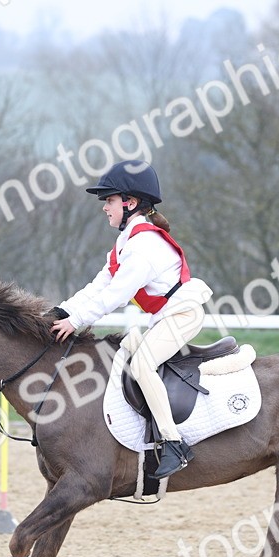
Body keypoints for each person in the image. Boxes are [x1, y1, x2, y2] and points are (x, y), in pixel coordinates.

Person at [50, 160, 213, 479]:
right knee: (126, 351)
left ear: (131, 202)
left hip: (183, 315)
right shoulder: (127, 242)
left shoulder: (145, 246)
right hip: (165, 316)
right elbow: (100, 284)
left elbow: (116, 296)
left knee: (141, 365)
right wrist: (64, 311)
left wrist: (77, 320)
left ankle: (174, 443)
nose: (104, 208)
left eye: (108, 200)